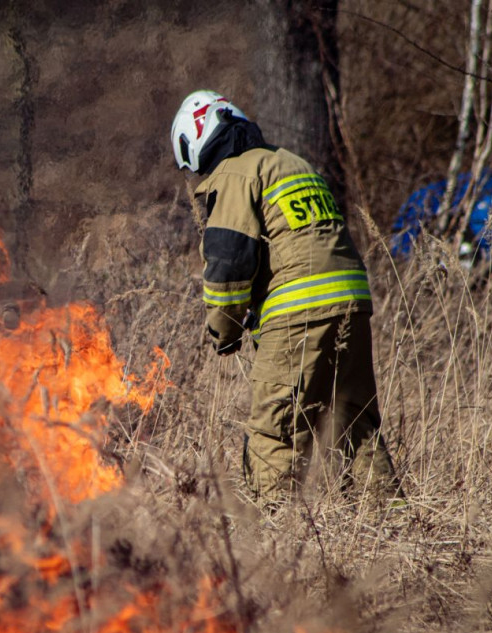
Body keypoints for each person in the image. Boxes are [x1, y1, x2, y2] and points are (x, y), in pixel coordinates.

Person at [170, 89, 401, 505]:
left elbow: (229, 263)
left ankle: (279, 539)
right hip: (354, 304)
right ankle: (397, 525)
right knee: (357, 426)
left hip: (299, 312)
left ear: (197, 140)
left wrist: (223, 330)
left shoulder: (236, 173)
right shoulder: (292, 163)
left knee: (274, 432)